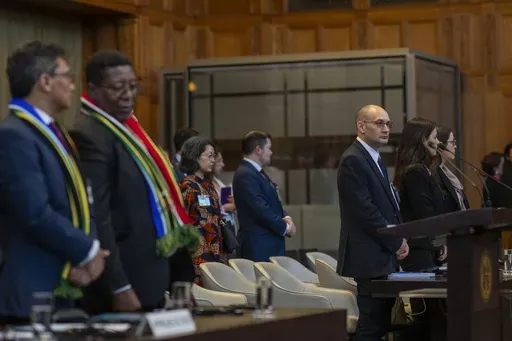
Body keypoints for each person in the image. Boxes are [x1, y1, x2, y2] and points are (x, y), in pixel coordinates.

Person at [71, 51, 199, 313]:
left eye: (132, 85)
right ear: (93, 89)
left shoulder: (131, 130)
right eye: (118, 87)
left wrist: (180, 276)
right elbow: (98, 218)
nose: (128, 94)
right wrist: (118, 286)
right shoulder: (90, 135)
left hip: (151, 274)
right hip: (124, 280)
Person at [0, 41, 109, 323]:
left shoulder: (55, 133)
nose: (73, 86)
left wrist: (89, 254)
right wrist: (88, 250)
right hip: (34, 291)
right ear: (46, 81)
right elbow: (34, 212)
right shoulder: (15, 136)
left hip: (68, 283)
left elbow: (81, 199)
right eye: (68, 77)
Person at [337, 105, 408, 341]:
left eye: (388, 124)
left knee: (381, 323)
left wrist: (400, 235)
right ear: (361, 126)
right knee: (371, 325)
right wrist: (396, 240)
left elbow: (387, 206)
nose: (385, 129)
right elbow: (364, 210)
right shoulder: (353, 159)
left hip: (381, 252)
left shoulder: (373, 157)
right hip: (368, 255)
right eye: (379, 123)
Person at [233, 131, 296, 261]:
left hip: (268, 244)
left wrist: (287, 217)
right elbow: (260, 208)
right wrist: (285, 227)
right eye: (269, 148)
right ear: (258, 150)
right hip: (258, 246)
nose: (271, 152)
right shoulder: (245, 174)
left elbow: (273, 201)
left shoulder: (258, 172)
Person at [394, 118, 446, 272]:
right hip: (418, 251)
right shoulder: (415, 172)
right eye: (435, 138)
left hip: (428, 248)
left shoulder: (423, 169)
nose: (438, 143)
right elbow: (425, 214)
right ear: (424, 140)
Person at [180, 137, 227, 285]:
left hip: (217, 248)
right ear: (195, 156)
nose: (213, 160)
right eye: (209, 155)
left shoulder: (209, 185)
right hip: (198, 253)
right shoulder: (188, 186)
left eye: (214, 156)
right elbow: (183, 222)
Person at [436, 126, 469, 211]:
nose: (455, 146)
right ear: (441, 145)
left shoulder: (447, 172)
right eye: (452, 142)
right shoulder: (435, 174)